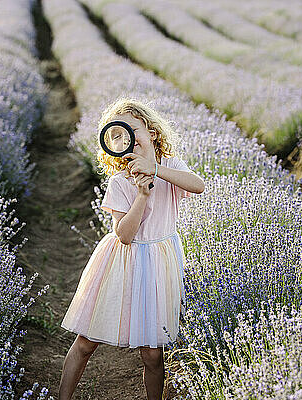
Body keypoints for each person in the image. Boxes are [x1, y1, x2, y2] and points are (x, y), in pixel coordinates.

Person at [58, 98, 206, 400]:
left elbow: (198, 185)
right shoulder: (120, 182)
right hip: (120, 263)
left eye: (131, 130)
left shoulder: (171, 168)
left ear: (151, 132)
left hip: (160, 261)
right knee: (86, 342)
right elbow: (124, 235)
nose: (126, 138)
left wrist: (156, 170)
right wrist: (141, 195)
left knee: (152, 355)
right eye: (117, 136)